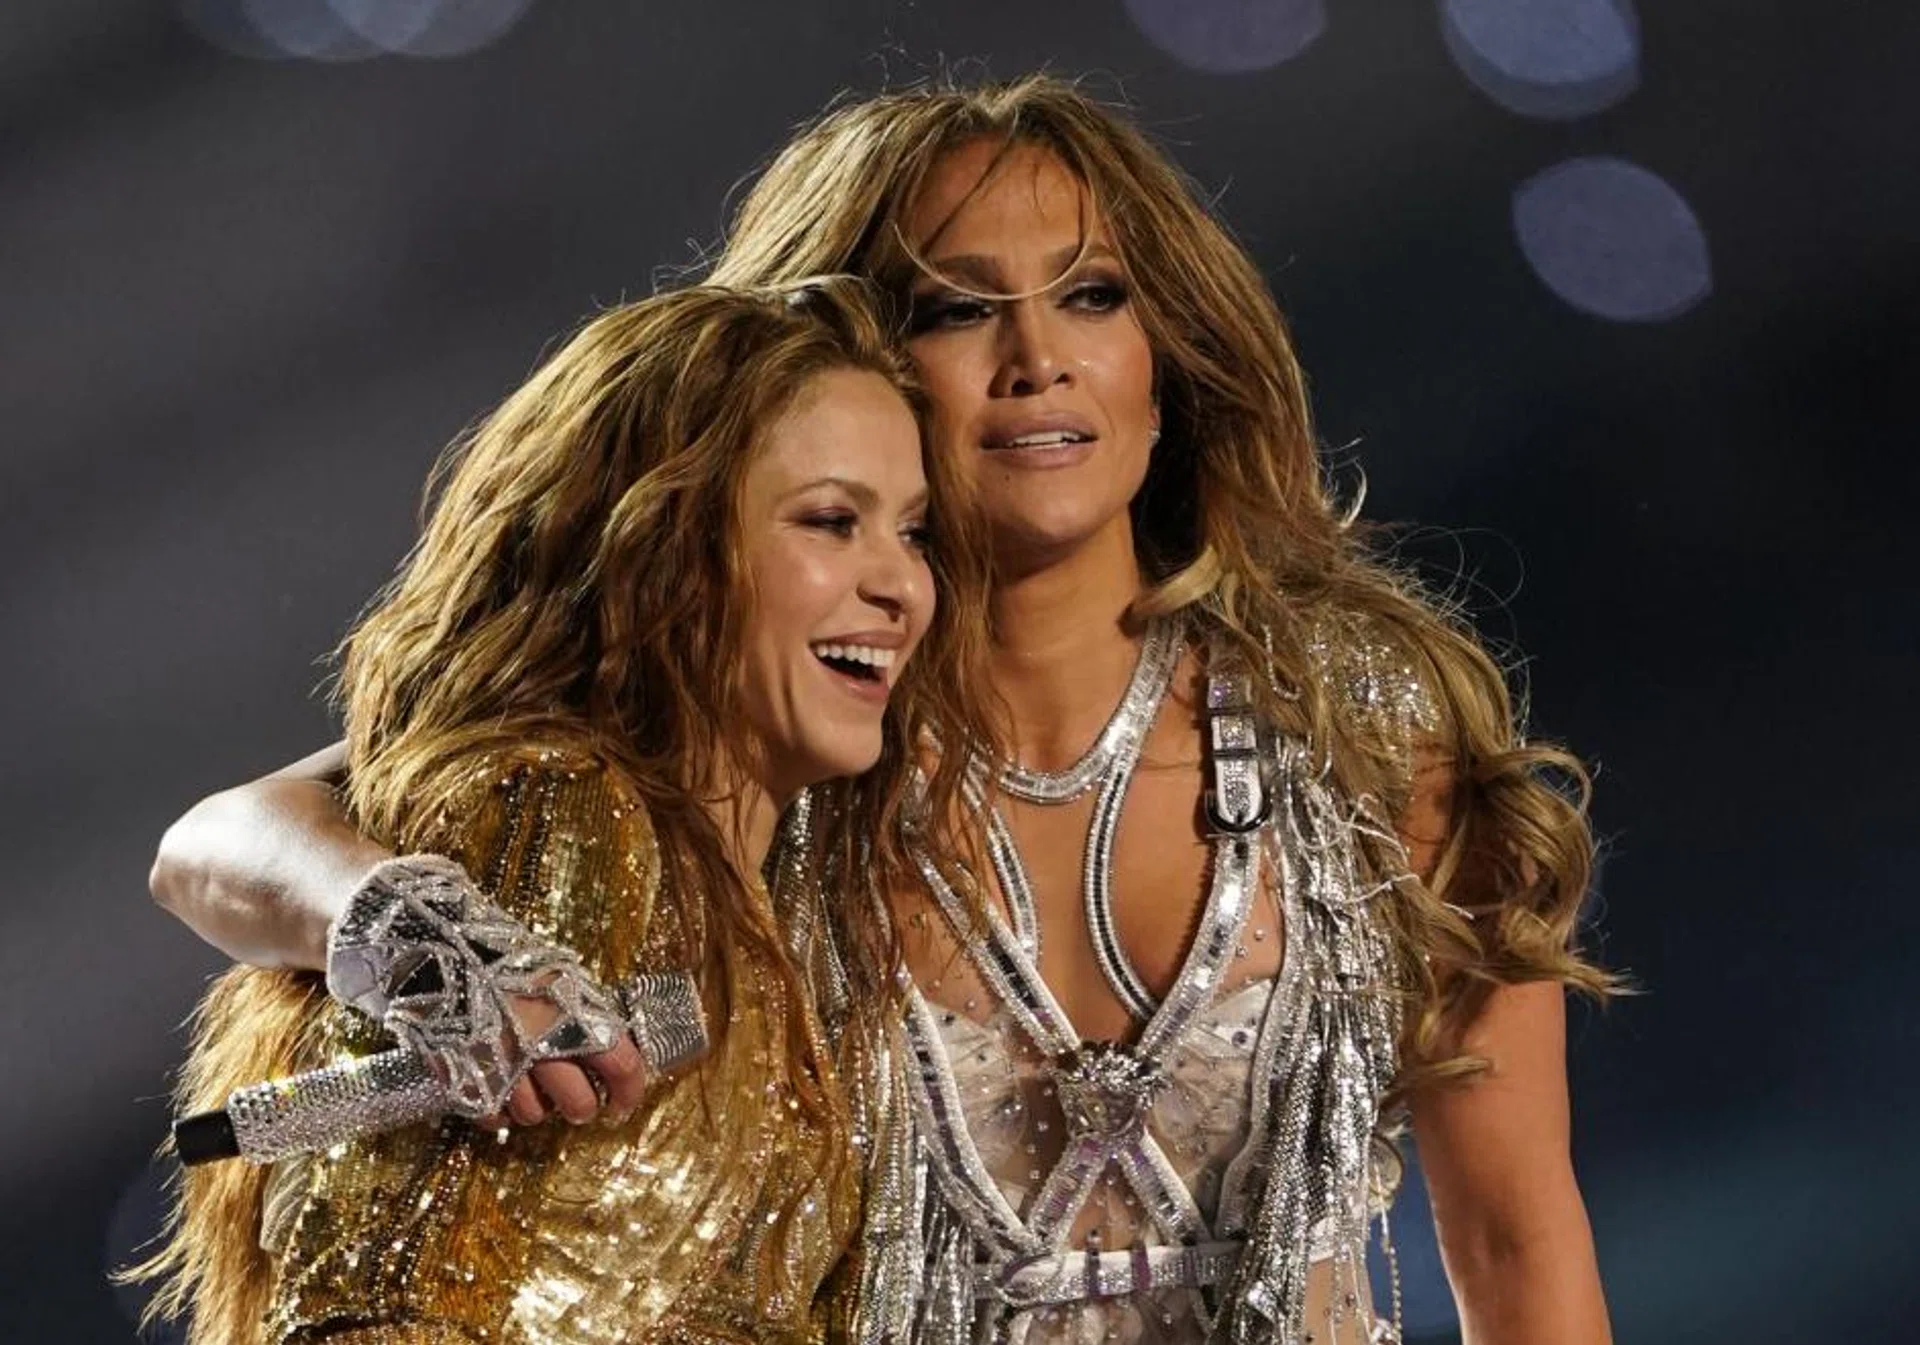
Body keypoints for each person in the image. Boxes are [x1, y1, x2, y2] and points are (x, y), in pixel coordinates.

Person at [151, 78, 1616, 1344]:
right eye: (959, 308)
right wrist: (401, 929)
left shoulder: (1361, 727)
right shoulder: (758, 732)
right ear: (849, 369)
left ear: (1161, 365)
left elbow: (1514, 1241)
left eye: (1091, 295)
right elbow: (223, 840)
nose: (1037, 354)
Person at [134, 277, 998, 1344]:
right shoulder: (565, 811)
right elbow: (373, 1314)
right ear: (669, 546)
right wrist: (421, 943)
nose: (901, 586)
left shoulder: (776, 900)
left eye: (913, 535)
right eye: (832, 520)